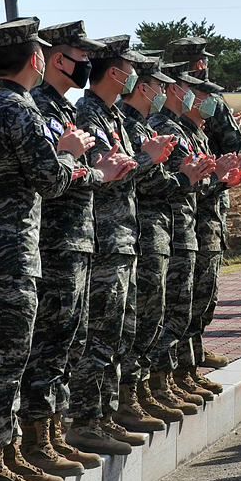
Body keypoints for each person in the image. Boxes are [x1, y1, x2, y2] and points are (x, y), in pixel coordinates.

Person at [0, 18, 92, 481]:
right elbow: (52, 180)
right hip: (12, 254)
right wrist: (72, 154)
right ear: (36, 58)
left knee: (2, 360)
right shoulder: (21, 111)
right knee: (7, 362)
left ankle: (8, 453)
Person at [23, 22, 138, 464]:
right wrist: (95, 167)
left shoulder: (64, 110)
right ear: (57, 59)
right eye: (79, 55)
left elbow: (84, 173)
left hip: (82, 238)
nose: (87, 65)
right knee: (53, 343)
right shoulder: (39, 109)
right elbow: (55, 176)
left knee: (76, 339)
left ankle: (67, 427)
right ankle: (50, 435)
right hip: (56, 241)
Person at [71, 37, 173, 445]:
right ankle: (85, 422)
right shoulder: (89, 114)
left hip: (123, 238)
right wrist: (147, 158)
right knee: (100, 335)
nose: (136, 75)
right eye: (130, 67)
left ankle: (107, 414)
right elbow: (106, 174)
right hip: (105, 239)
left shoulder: (110, 115)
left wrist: (151, 159)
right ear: (116, 73)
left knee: (121, 332)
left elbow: (128, 171)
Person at [122, 60, 206, 424]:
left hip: (164, 230)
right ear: (144, 86)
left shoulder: (140, 125)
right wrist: (184, 177)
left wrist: (202, 177)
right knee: (138, 321)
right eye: (159, 84)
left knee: (164, 314)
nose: (162, 91)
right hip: (140, 233)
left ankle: (153, 387)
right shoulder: (133, 125)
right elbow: (143, 181)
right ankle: (133, 397)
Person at [169, 37, 241, 370]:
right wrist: (226, 122)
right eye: (199, 62)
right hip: (196, 206)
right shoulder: (180, 113)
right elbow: (232, 141)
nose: (204, 66)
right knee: (190, 291)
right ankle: (185, 361)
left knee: (201, 288)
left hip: (207, 197)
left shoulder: (193, 120)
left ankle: (194, 353)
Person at [181, 78, 241, 396]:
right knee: (182, 307)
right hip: (187, 229)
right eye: (206, 96)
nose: (212, 102)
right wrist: (219, 179)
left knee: (202, 300)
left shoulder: (198, 133)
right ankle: (179, 374)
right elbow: (187, 184)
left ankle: (188, 367)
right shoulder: (177, 130)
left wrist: (222, 180)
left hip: (205, 225)